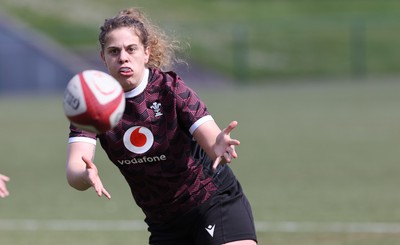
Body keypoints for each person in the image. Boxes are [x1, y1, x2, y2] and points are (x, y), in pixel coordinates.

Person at [66, 7, 257, 245]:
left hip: (214, 202)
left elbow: (208, 136)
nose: (123, 57)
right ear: (103, 57)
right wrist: (85, 175)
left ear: (146, 53)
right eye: (114, 51)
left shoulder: (170, 89)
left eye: (131, 49)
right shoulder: (91, 101)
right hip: (164, 223)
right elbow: (75, 167)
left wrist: (218, 145)